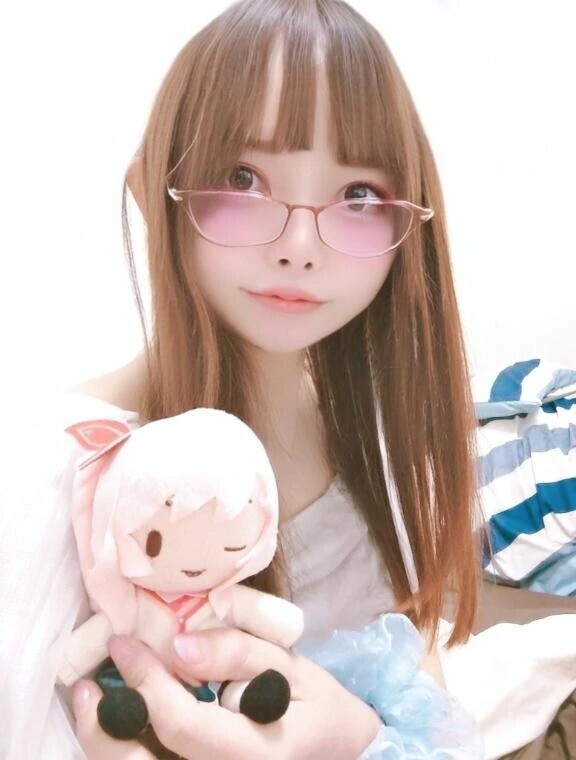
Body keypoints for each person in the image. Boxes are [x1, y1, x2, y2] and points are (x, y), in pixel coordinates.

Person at [3, 0, 486, 757]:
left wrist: (357, 737)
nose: (300, 245)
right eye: (243, 178)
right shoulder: (51, 468)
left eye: (358, 195)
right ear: (151, 190)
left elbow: (428, 710)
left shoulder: (382, 450)